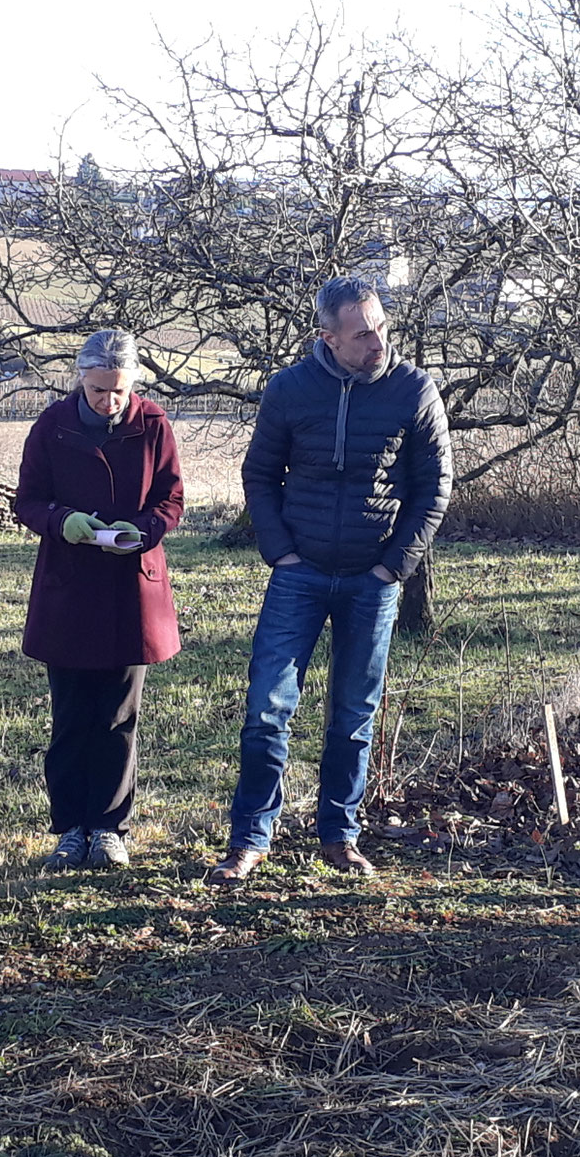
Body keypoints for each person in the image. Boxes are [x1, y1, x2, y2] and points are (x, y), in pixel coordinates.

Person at [211, 277, 453, 887]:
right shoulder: (290, 389)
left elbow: (434, 489)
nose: (379, 341)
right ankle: (250, 840)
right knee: (267, 708)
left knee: (353, 715)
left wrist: (392, 567)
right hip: (300, 574)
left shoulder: (414, 389)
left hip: (372, 579)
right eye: (363, 333)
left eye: (382, 327)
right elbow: (260, 473)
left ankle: (340, 837)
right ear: (328, 337)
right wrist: (281, 554)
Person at [16, 330, 185, 870]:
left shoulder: (155, 424)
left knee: (117, 717)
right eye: (97, 391)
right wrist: (63, 521)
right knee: (69, 717)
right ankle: (69, 829)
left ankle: (110, 828)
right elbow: (28, 500)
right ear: (79, 381)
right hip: (69, 585)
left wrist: (144, 529)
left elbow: (172, 498)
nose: (109, 402)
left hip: (128, 587)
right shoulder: (51, 426)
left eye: (118, 392)